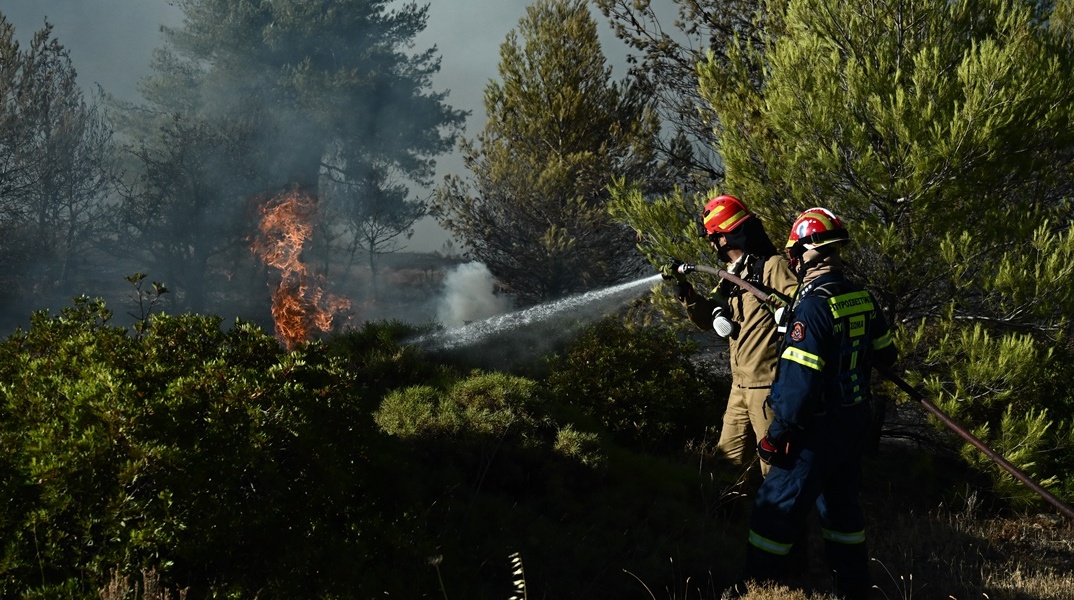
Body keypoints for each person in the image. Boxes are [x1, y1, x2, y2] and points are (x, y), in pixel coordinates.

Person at [724, 207, 897, 600]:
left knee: (774, 507)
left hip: (816, 429)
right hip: (855, 422)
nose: (794, 263)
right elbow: (887, 356)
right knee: (841, 510)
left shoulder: (812, 307)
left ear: (806, 253)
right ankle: (853, 588)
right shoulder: (862, 298)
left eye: (795, 255)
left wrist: (777, 434)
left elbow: (798, 386)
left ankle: (756, 588)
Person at [666, 194, 797, 477]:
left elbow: (802, 309)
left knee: (775, 471)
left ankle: (781, 507)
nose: (711, 245)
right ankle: (729, 505)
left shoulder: (773, 267)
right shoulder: (731, 277)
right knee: (725, 466)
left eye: (712, 238)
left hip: (767, 389)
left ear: (723, 237)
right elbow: (707, 318)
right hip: (739, 388)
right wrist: (686, 293)